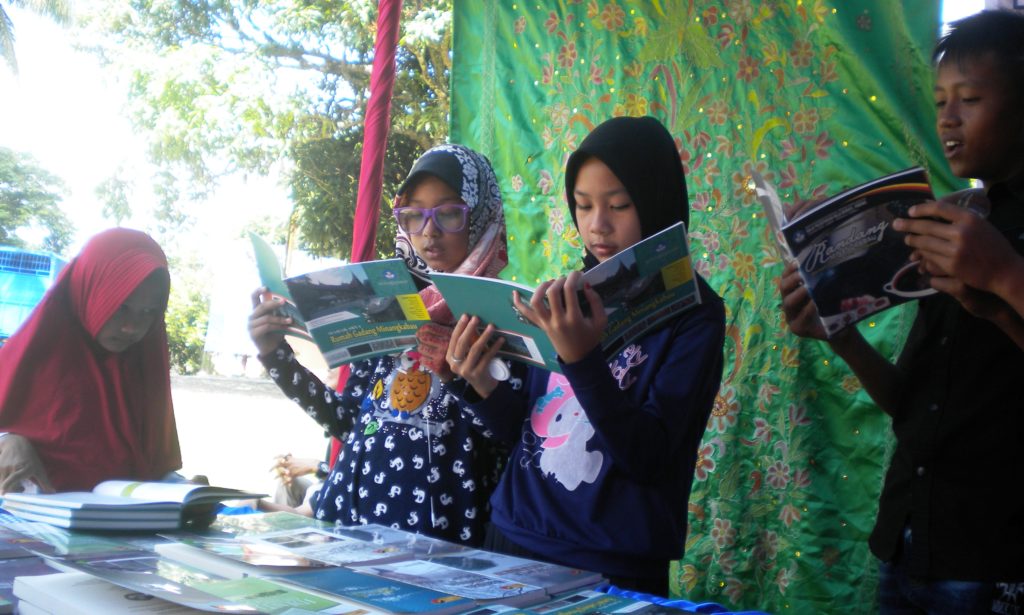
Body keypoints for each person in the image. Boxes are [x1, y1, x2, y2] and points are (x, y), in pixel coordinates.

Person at [779, 10, 1024, 613]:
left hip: (1000, 556)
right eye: (940, 99)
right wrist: (841, 336)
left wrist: (1003, 275)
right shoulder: (958, 220)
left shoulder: (981, 244)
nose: (947, 117)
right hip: (910, 542)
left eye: (969, 98)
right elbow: (914, 407)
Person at [446, 116, 726, 595]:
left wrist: (582, 360)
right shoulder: (566, 293)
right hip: (511, 536)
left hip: (610, 565)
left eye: (619, 204)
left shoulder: (695, 315)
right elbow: (527, 433)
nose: (597, 225)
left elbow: (649, 456)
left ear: (657, 200)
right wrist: (482, 386)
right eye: (582, 205)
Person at [247, 144, 511, 546]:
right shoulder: (390, 307)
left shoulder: (502, 319)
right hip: (350, 530)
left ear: (482, 215)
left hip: (437, 547)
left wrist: (469, 383)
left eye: (450, 213)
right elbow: (348, 421)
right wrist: (275, 356)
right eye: (413, 215)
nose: (429, 231)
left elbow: (510, 441)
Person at [0, 228, 182, 493]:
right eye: (120, 307)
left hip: (120, 527)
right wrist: (6, 440)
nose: (133, 327)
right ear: (88, 290)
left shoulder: (142, 369)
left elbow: (151, 469)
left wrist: (184, 492)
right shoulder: (27, 360)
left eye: (148, 312)